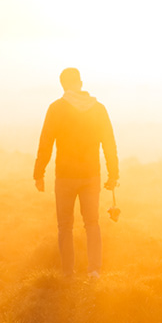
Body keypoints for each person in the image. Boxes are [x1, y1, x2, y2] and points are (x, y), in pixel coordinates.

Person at [33, 67, 119, 277]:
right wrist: (113, 174)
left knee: (65, 226)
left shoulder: (56, 108)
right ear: (81, 83)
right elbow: (109, 143)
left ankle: (68, 274)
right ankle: (94, 271)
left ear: (63, 85)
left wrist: (39, 173)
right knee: (92, 223)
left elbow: (45, 142)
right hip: (91, 175)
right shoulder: (98, 109)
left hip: (65, 176)